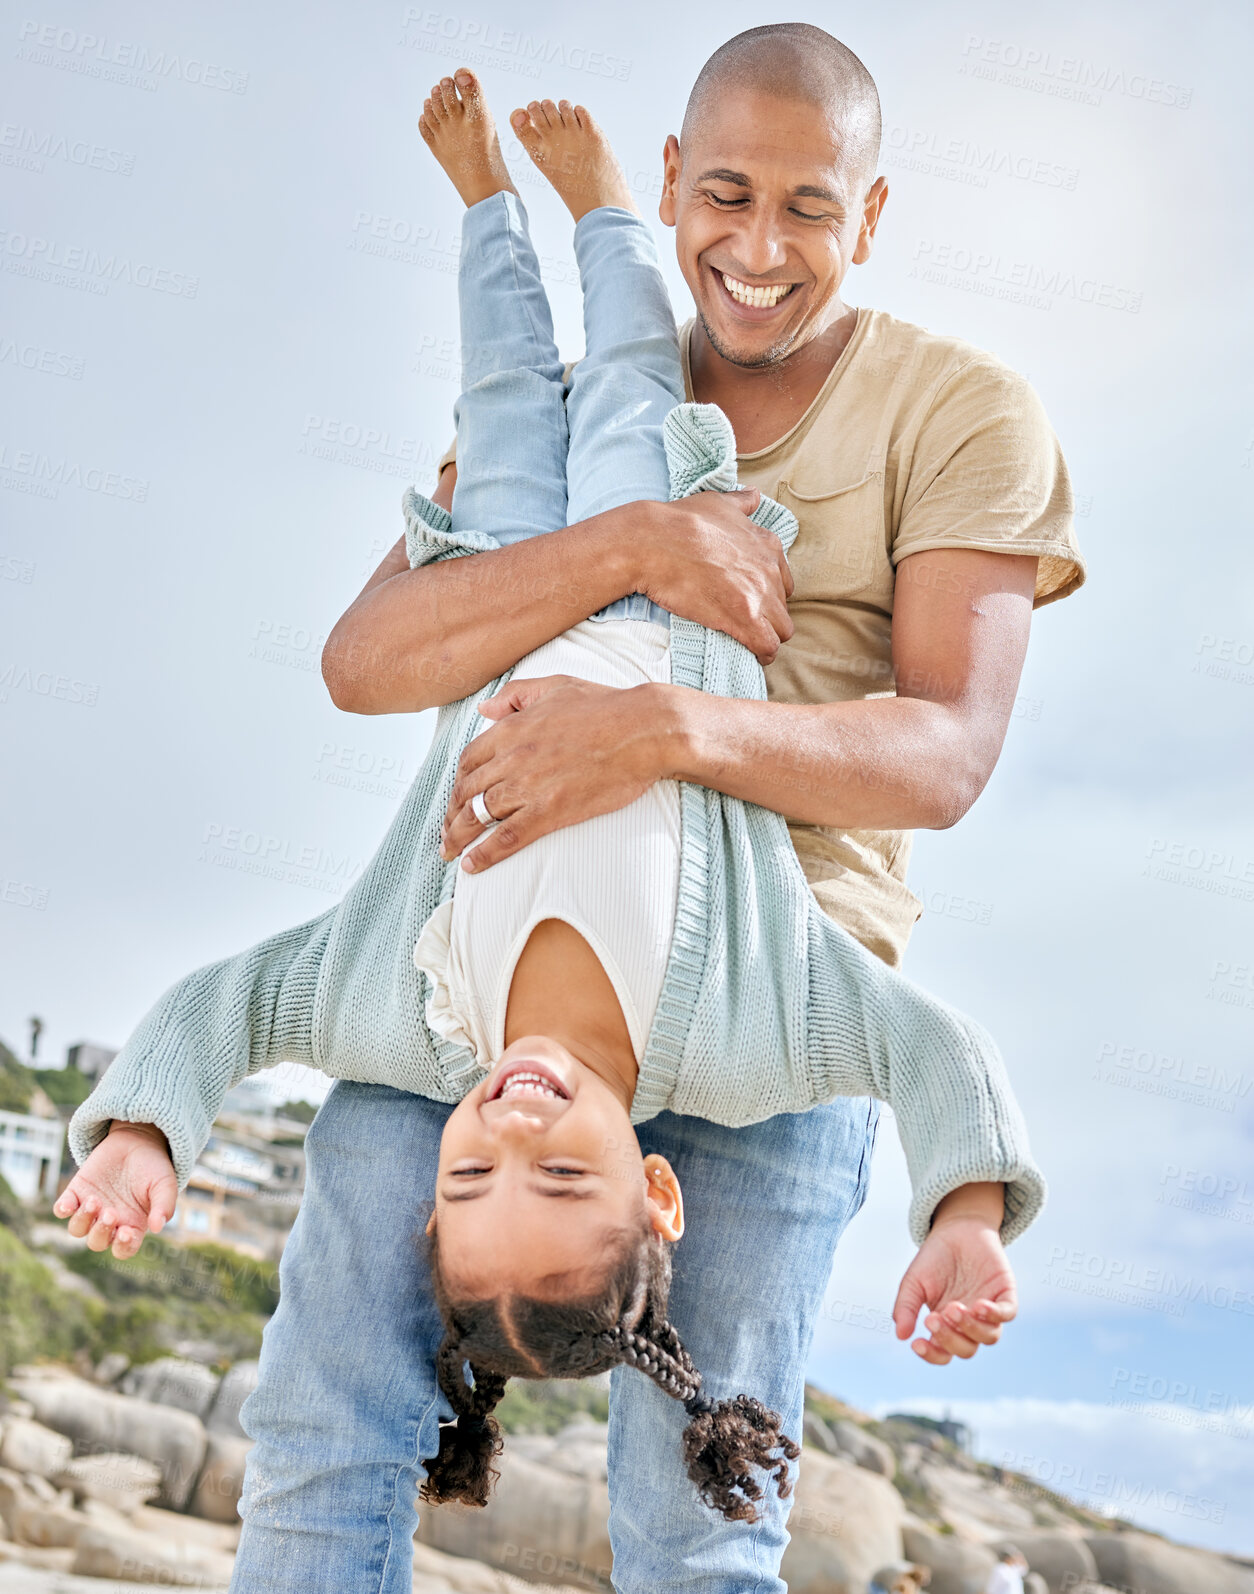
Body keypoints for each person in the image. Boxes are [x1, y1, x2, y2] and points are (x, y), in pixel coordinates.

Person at [63, 21, 1084, 1591]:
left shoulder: (963, 412)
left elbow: (944, 754)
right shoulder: (568, 395)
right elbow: (371, 655)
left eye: (809, 207)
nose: (756, 247)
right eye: (724, 194)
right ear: (668, 186)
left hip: (785, 986)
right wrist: (630, 553)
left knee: (702, 1510)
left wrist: (654, 728)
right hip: (467, 980)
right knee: (327, 1428)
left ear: (869, 218)